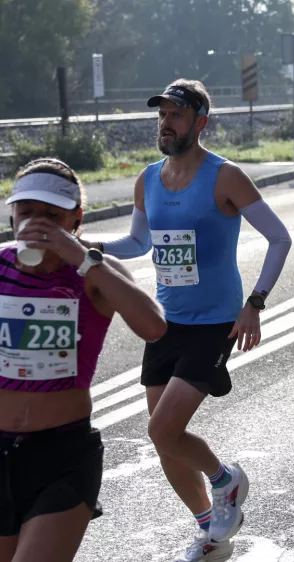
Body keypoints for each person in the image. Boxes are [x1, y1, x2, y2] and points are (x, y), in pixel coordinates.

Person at [81, 80, 293, 560]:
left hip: (214, 323)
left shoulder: (226, 177)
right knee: (165, 441)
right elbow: (139, 244)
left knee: (162, 430)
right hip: (164, 323)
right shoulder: (147, 179)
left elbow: (280, 239)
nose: (166, 123)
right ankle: (211, 530)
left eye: (176, 114)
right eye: (162, 115)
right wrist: (91, 248)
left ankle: (225, 480)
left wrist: (255, 303)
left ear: (201, 122)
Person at [0, 159, 167, 562]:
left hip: (62, 455)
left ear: (77, 217)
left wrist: (83, 257)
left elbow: (154, 326)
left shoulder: (94, 273)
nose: (37, 224)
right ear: (12, 213)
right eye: (27, 212)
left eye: (52, 216)